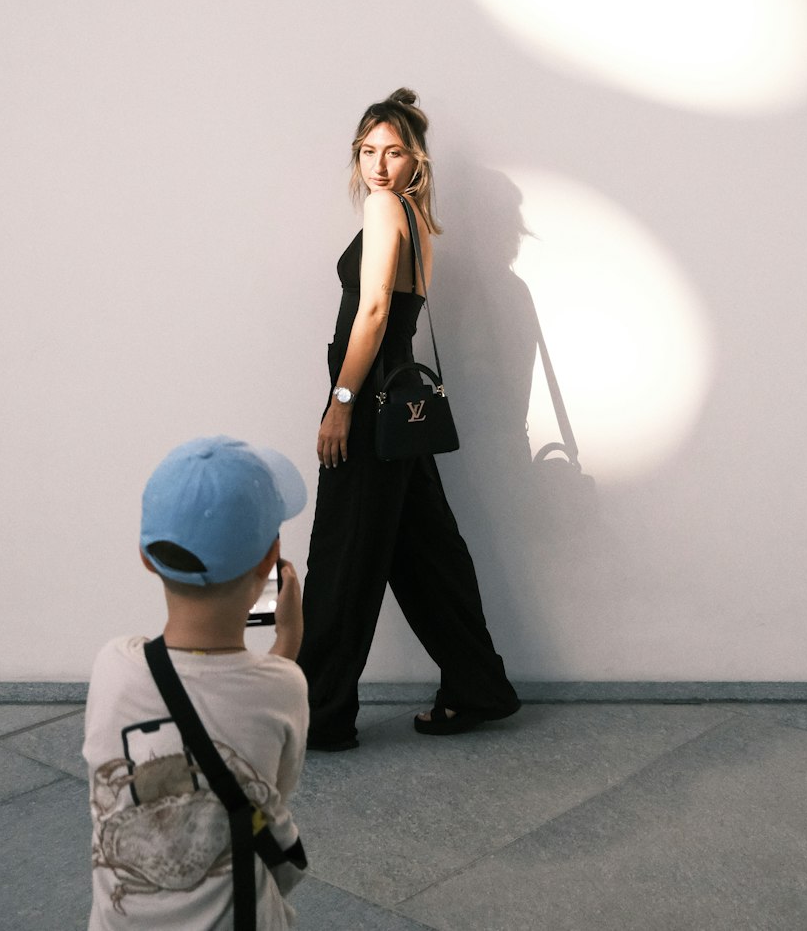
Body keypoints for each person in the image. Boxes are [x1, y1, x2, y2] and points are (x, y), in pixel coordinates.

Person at [297, 87, 520, 750]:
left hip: (368, 404)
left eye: (393, 152)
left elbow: (371, 314)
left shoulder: (385, 208)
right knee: (427, 557)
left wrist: (340, 404)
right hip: (403, 408)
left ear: (415, 160)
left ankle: (321, 715)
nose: (378, 165)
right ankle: (478, 686)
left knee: (342, 560)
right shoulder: (420, 223)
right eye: (368, 151)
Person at [83, 435, 309, 929]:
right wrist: (287, 638)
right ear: (271, 561)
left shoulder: (111, 667)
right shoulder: (284, 685)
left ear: (147, 557)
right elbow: (268, 794)